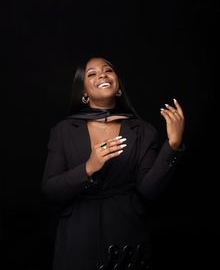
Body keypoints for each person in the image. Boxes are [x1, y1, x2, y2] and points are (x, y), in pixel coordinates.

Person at [41, 56, 185, 270]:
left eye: (108, 70)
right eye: (92, 73)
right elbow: (50, 191)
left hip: (125, 237)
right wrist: (89, 167)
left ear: (118, 86)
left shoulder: (143, 131)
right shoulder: (63, 131)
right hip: (78, 238)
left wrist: (173, 146)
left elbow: (149, 190)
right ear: (83, 92)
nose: (102, 74)